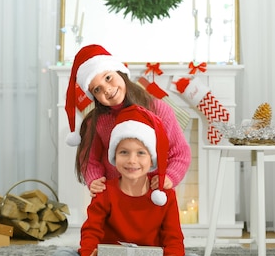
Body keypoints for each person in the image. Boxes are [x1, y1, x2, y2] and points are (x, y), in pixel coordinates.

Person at [52, 105, 204, 256]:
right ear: (114, 157)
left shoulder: (165, 195)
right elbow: (91, 230)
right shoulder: (105, 191)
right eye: (124, 152)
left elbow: (173, 236)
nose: (132, 160)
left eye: (141, 153)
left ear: (152, 159)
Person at [64, 44, 191, 195]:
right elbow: (89, 159)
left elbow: (180, 152)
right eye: (97, 89)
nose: (107, 89)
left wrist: (170, 176)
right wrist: (95, 179)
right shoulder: (97, 121)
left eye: (108, 78)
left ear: (120, 72)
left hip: (154, 193)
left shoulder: (158, 110)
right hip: (115, 196)